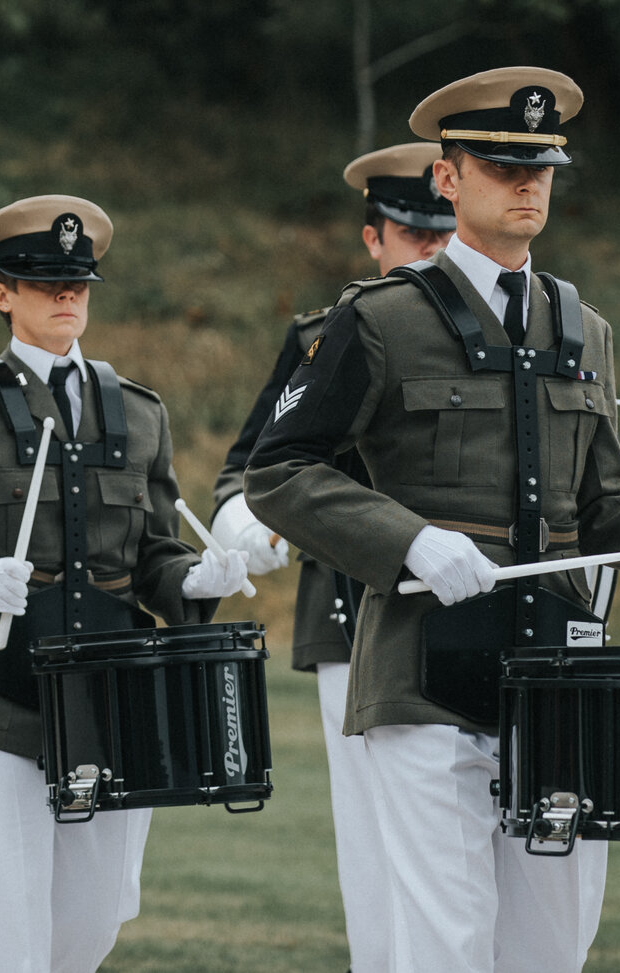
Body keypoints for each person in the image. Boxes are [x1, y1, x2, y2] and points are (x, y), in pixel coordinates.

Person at [245, 70, 620, 973]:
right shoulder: (379, 320)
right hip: (424, 676)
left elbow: (599, 512)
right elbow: (278, 472)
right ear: (448, 179)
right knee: (448, 947)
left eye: (542, 167)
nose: (528, 184)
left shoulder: (584, 328)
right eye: (501, 165)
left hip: (560, 678)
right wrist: (406, 537)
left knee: (550, 949)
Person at [0, 196, 252, 973]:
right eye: (45, 282)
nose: (67, 295)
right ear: (2, 292)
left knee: (96, 915)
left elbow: (153, 555)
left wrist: (196, 578)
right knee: (8, 925)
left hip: (109, 693)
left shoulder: (140, 414)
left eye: (78, 281)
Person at [209, 141, 455, 973]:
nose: (429, 247)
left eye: (441, 230)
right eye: (409, 231)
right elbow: (249, 467)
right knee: (376, 847)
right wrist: (247, 525)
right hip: (349, 618)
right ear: (373, 238)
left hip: (471, 616)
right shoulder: (326, 336)